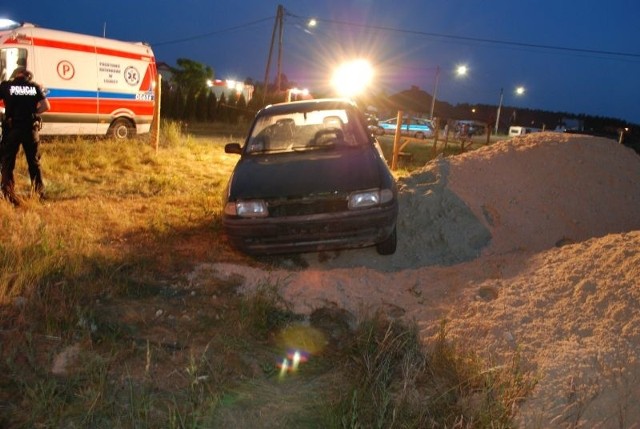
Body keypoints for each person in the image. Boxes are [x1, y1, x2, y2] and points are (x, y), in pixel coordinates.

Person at [0, 68, 50, 205]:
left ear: (16, 74)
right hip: (30, 129)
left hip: (12, 129)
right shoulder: (34, 87)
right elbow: (46, 106)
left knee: (8, 163)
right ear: (28, 76)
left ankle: (8, 194)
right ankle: (39, 194)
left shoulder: (6, 86)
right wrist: (34, 113)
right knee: (34, 163)